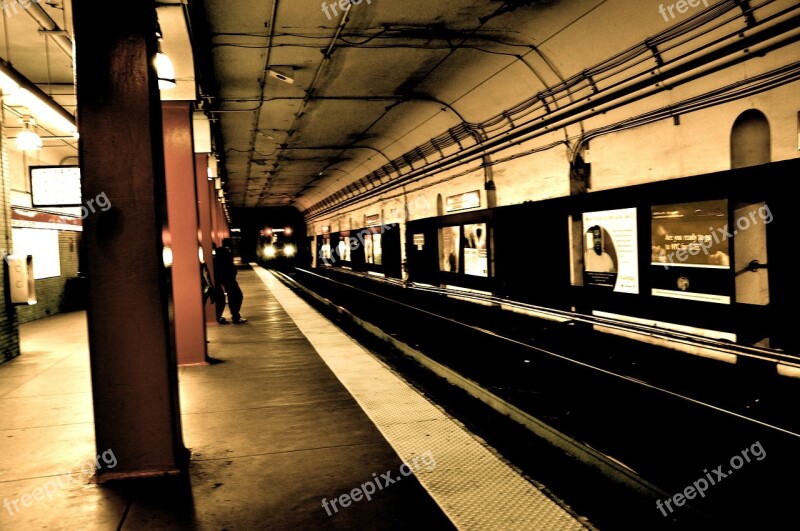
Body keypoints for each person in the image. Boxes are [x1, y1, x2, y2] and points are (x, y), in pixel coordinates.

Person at [213, 238, 247, 324]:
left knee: (225, 297)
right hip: (227, 278)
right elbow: (226, 266)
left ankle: (220, 316)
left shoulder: (222, 252)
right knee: (236, 295)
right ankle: (235, 316)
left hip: (224, 278)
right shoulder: (224, 252)